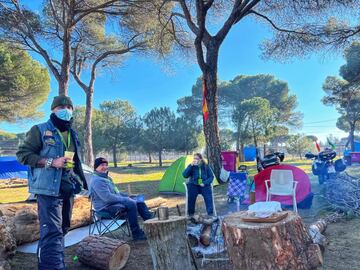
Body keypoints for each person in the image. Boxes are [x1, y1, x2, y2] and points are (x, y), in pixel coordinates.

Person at [16, 95, 87, 270]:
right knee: (51, 232)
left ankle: (48, 262)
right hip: (48, 190)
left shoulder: (72, 134)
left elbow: (76, 161)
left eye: (69, 107)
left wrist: (81, 180)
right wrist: (51, 162)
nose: (66, 110)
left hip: (67, 188)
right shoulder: (39, 130)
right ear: (53, 110)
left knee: (62, 229)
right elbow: (23, 155)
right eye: (61, 107)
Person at [90, 157, 154, 240]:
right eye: (102, 165)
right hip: (104, 208)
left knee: (138, 200)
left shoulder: (107, 178)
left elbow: (117, 193)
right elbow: (107, 198)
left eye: (106, 165)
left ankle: (152, 225)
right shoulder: (97, 181)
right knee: (131, 203)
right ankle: (136, 233)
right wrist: (126, 199)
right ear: (96, 167)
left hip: (112, 204)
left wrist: (127, 196)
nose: (105, 167)